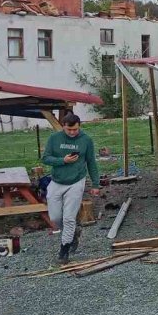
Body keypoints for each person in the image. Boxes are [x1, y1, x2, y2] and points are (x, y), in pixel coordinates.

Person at [41, 113, 100, 263]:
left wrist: (95, 184)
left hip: (76, 181)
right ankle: (73, 233)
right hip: (57, 181)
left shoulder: (86, 140)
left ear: (79, 126)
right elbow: (45, 158)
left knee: (68, 218)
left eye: (75, 129)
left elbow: (91, 162)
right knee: (55, 217)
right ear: (63, 127)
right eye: (69, 130)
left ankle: (64, 250)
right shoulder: (54, 139)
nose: (72, 132)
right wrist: (63, 160)